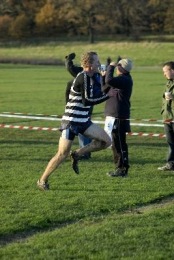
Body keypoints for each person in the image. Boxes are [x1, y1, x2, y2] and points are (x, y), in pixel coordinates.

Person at [37, 51, 116, 190]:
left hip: (84, 121)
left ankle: (77, 153)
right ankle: (42, 181)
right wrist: (107, 96)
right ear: (89, 64)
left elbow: (98, 92)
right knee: (62, 154)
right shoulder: (82, 77)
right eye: (97, 61)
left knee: (106, 141)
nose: (99, 63)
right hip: (71, 121)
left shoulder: (95, 75)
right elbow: (88, 101)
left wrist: (105, 81)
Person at [103, 58, 133, 177]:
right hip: (112, 116)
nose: (116, 68)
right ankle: (118, 168)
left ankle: (122, 169)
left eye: (117, 66)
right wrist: (103, 76)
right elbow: (104, 88)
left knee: (120, 143)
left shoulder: (125, 79)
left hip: (119, 116)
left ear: (122, 68)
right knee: (115, 144)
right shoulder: (120, 80)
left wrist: (110, 67)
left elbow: (109, 80)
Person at [65, 53, 92, 159]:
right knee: (85, 130)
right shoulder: (90, 72)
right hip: (84, 108)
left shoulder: (81, 73)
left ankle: (84, 153)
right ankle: (85, 151)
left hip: (79, 109)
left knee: (83, 131)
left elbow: (70, 68)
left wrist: (68, 59)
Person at [158, 61, 174, 171]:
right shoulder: (168, 83)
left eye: (165, 71)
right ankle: (171, 164)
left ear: (172, 70)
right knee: (171, 143)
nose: (164, 74)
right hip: (167, 117)